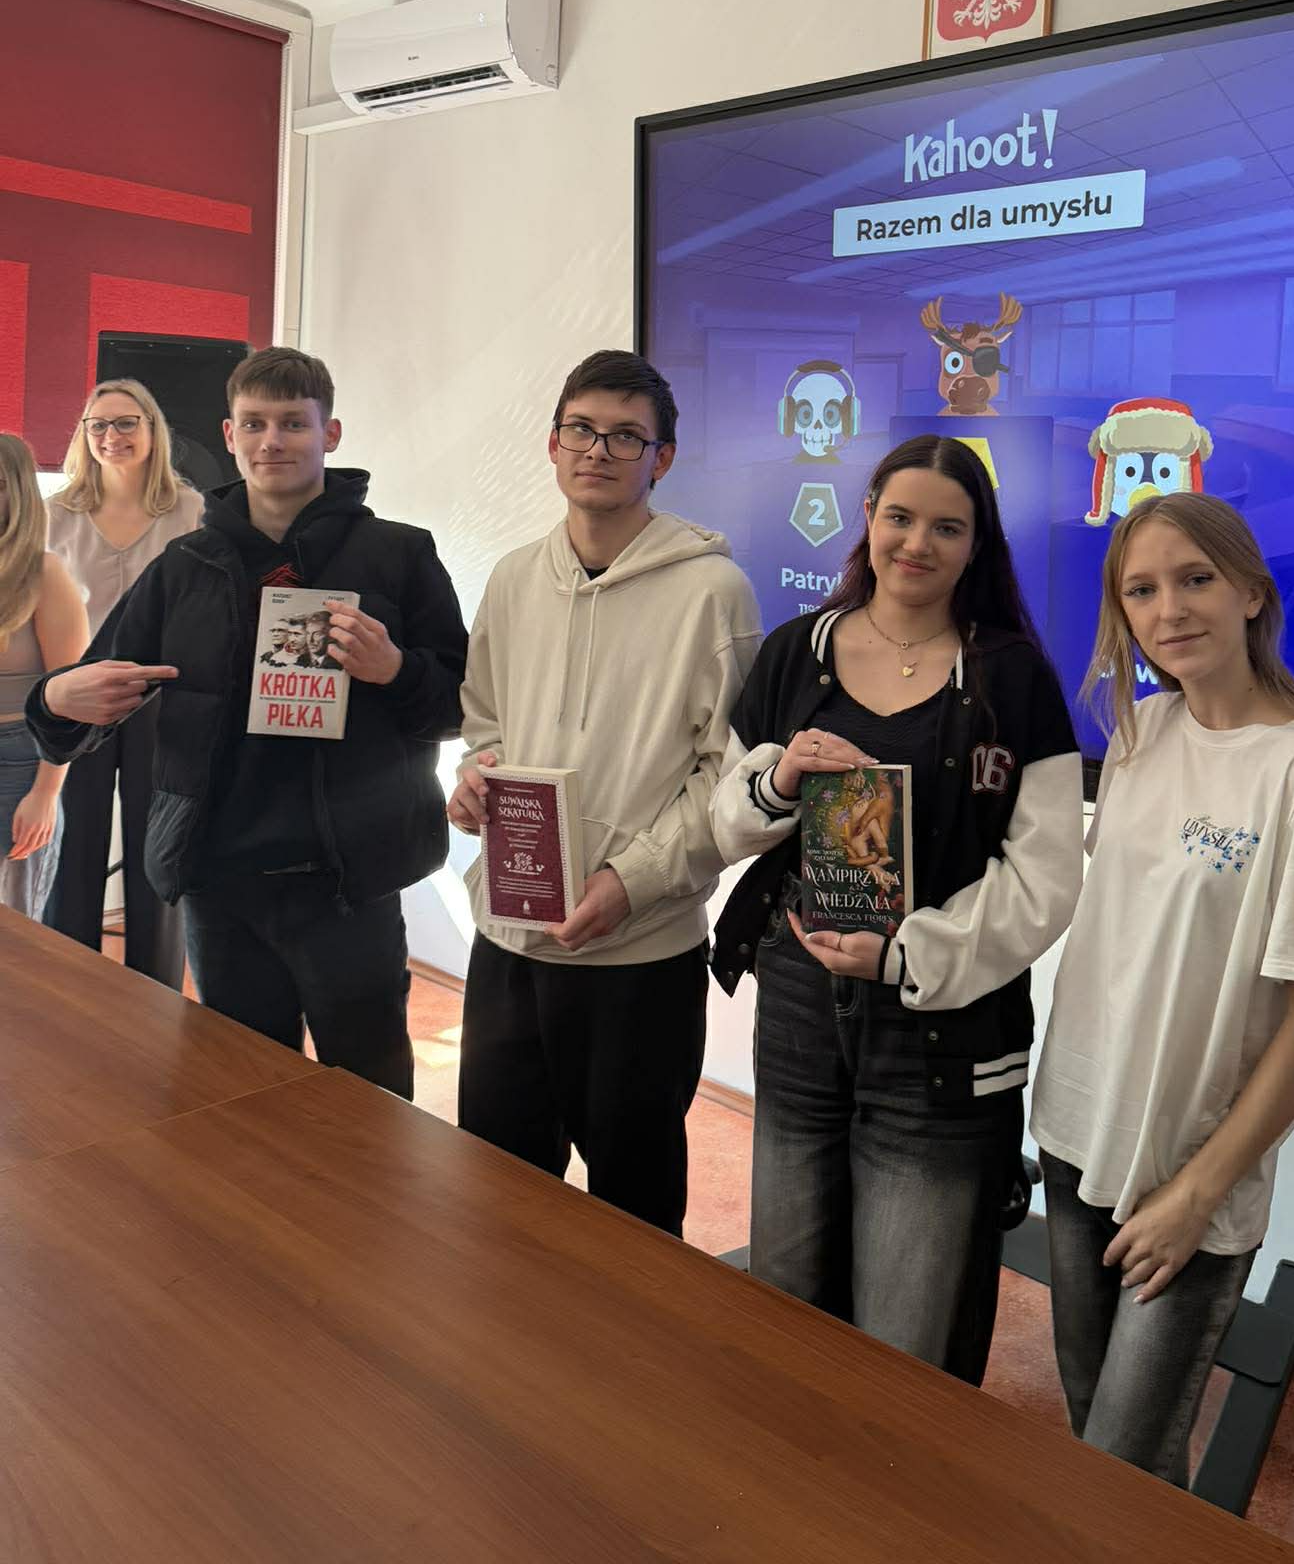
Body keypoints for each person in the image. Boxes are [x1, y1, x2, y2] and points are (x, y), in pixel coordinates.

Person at [709, 435, 1084, 1384]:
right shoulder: (797, 652)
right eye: (901, 518)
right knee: (787, 1297)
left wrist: (905, 956)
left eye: (947, 528)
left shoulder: (1013, 679)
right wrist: (780, 780)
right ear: (868, 517)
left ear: (977, 545)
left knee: (909, 1342)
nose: (917, 544)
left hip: (943, 1035)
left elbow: (1045, 880)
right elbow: (726, 820)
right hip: (799, 1012)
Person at [1029, 492, 1294, 1486]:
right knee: (1097, 1429)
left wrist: (1196, 1194)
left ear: (1251, 592)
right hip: (1077, 1135)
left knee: (1125, 1465)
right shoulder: (1141, 731)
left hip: (1186, 1175)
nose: (1168, 608)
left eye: (1195, 579)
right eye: (1141, 590)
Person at [28, 348, 469, 1098]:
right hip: (220, 881)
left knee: (370, 1104)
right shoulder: (185, 566)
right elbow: (90, 695)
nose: (273, 441)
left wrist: (396, 669)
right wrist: (54, 701)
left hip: (350, 883)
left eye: (293, 423)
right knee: (236, 1101)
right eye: (256, 424)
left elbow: (460, 703)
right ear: (230, 435)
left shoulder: (398, 555)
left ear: (330, 434)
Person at [448, 349, 760, 1235]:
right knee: (498, 1197)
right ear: (553, 443)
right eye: (581, 429)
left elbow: (730, 777)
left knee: (635, 1211)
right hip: (510, 942)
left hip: (640, 956)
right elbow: (485, 722)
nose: (599, 450)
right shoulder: (514, 577)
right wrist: (477, 779)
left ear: (662, 459)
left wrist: (634, 880)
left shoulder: (714, 593)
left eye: (627, 436)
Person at [44, 378, 202, 985]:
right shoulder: (55, 515)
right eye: (99, 425)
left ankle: (153, 997)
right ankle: (71, 990)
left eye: (127, 422)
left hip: (162, 702)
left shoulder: (191, 511)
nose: (112, 436)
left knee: (157, 848)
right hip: (75, 701)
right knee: (72, 851)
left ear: (153, 430)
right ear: (84, 435)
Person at [0, 436, 90, 919]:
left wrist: (46, 794)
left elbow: (71, 701)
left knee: (13, 935)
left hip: (17, 763)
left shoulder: (43, 572)